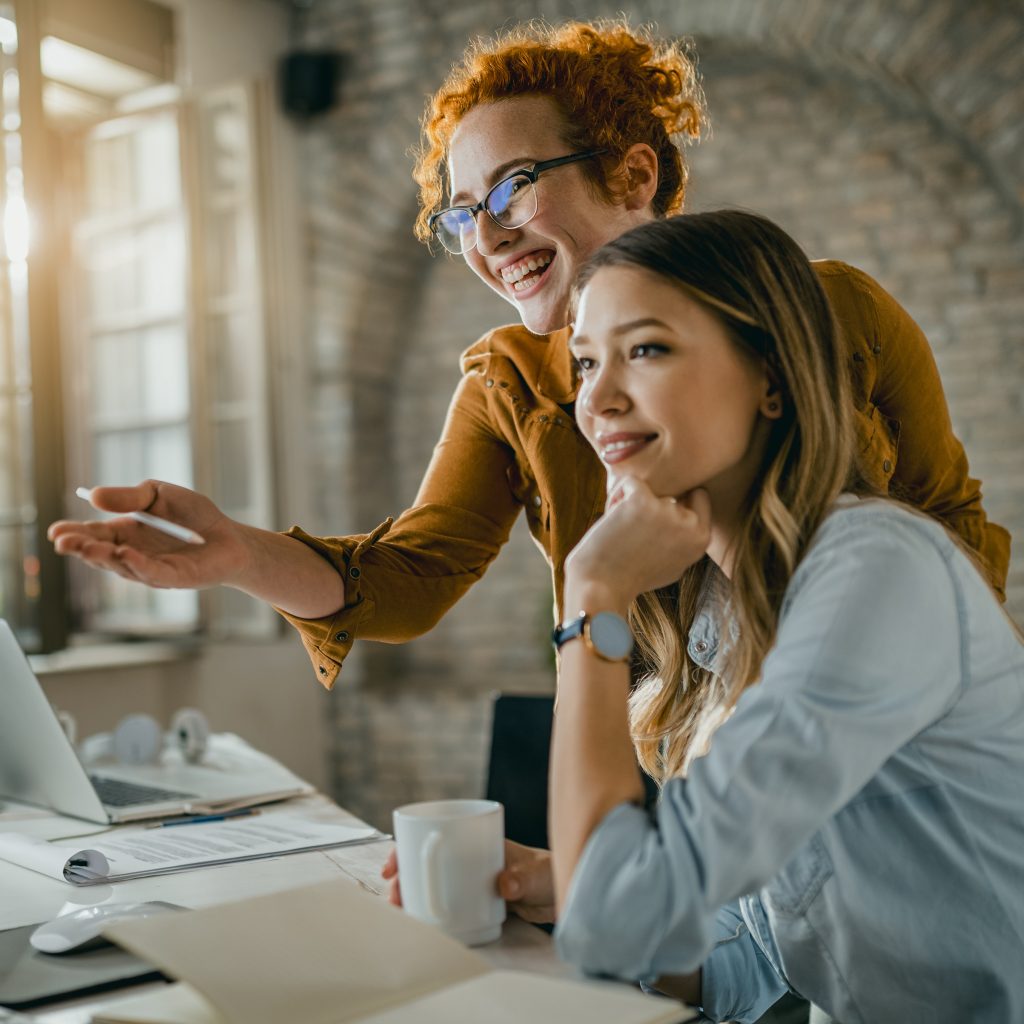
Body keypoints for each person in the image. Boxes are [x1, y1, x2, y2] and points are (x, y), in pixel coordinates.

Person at [48, 20, 1009, 924]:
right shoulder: (509, 379)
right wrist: (234, 556)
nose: (486, 236)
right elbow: (407, 576)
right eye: (462, 212)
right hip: (648, 742)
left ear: (634, 174)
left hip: (860, 754)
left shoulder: (823, 316)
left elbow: (948, 531)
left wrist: (901, 711)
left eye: (511, 188)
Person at [545, 209, 1024, 1022]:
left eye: (646, 349)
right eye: (586, 362)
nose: (598, 398)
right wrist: (572, 888)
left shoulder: (877, 572)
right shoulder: (730, 611)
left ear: (771, 376)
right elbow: (769, 951)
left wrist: (591, 598)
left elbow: (613, 931)